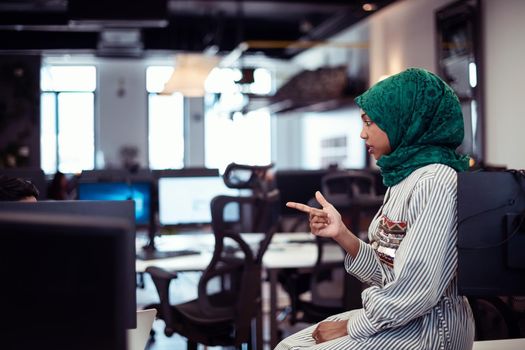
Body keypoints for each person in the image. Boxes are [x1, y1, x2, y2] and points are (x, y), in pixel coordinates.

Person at [276, 67, 475, 350]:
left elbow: (417, 288)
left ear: (402, 119)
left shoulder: (435, 180)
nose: (362, 133)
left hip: (430, 331)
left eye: (369, 122)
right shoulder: (404, 178)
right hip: (403, 321)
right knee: (287, 346)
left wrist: (349, 327)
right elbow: (386, 274)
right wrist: (341, 232)